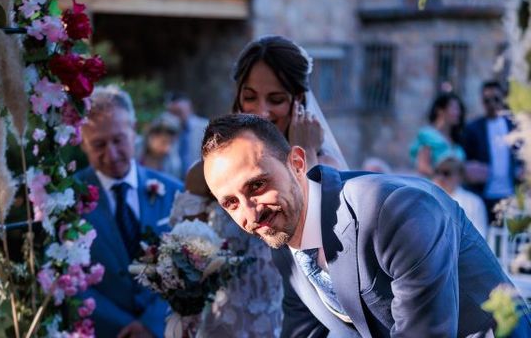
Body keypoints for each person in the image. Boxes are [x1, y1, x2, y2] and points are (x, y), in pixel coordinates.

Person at [202, 113, 531, 338]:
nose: (250, 212)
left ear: (298, 163)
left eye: (257, 186)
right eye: (231, 203)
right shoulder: (284, 241)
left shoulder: (393, 210)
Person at [170, 35, 346, 337]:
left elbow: (325, 256)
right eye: (250, 96)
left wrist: (308, 154)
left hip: (292, 325)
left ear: (299, 101)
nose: (260, 111)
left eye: (275, 99)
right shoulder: (210, 173)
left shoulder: (326, 166)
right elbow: (186, 250)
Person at [76, 85, 183, 338]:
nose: (111, 154)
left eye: (118, 140)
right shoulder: (67, 201)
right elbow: (68, 278)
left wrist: (151, 324)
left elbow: (189, 265)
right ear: (83, 143)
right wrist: (124, 327)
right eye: (99, 145)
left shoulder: (174, 193)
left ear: (134, 130)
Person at [463, 80, 521, 219]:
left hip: (510, 195)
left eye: (496, 99)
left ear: (503, 99)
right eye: (487, 100)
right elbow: (466, 159)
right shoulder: (473, 128)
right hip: (483, 195)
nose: (491, 104)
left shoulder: (514, 125)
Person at [410, 91, 466, 178]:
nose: (458, 113)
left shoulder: (456, 141)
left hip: (454, 189)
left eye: (459, 109)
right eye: (454, 108)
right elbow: (423, 166)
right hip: (433, 187)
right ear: (440, 110)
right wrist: (443, 176)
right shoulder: (428, 135)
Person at [432, 154, 489, 238]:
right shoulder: (429, 198)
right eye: (437, 172)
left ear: (459, 176)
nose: (440, 177)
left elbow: (480, 235)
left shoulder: (473, 202)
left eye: (446, 173)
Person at [166, 92, 208, 179]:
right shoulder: (167, 131)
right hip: (175, 179)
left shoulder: (204, 127)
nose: (176, 117)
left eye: (179, 112)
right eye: (172, 113)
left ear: (189, 108)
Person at [137, 112, 181, 179]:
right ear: (151, 136)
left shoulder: (173, 164)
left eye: (171, 143)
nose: (167, 149)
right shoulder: (134, 150)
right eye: (163, 142)